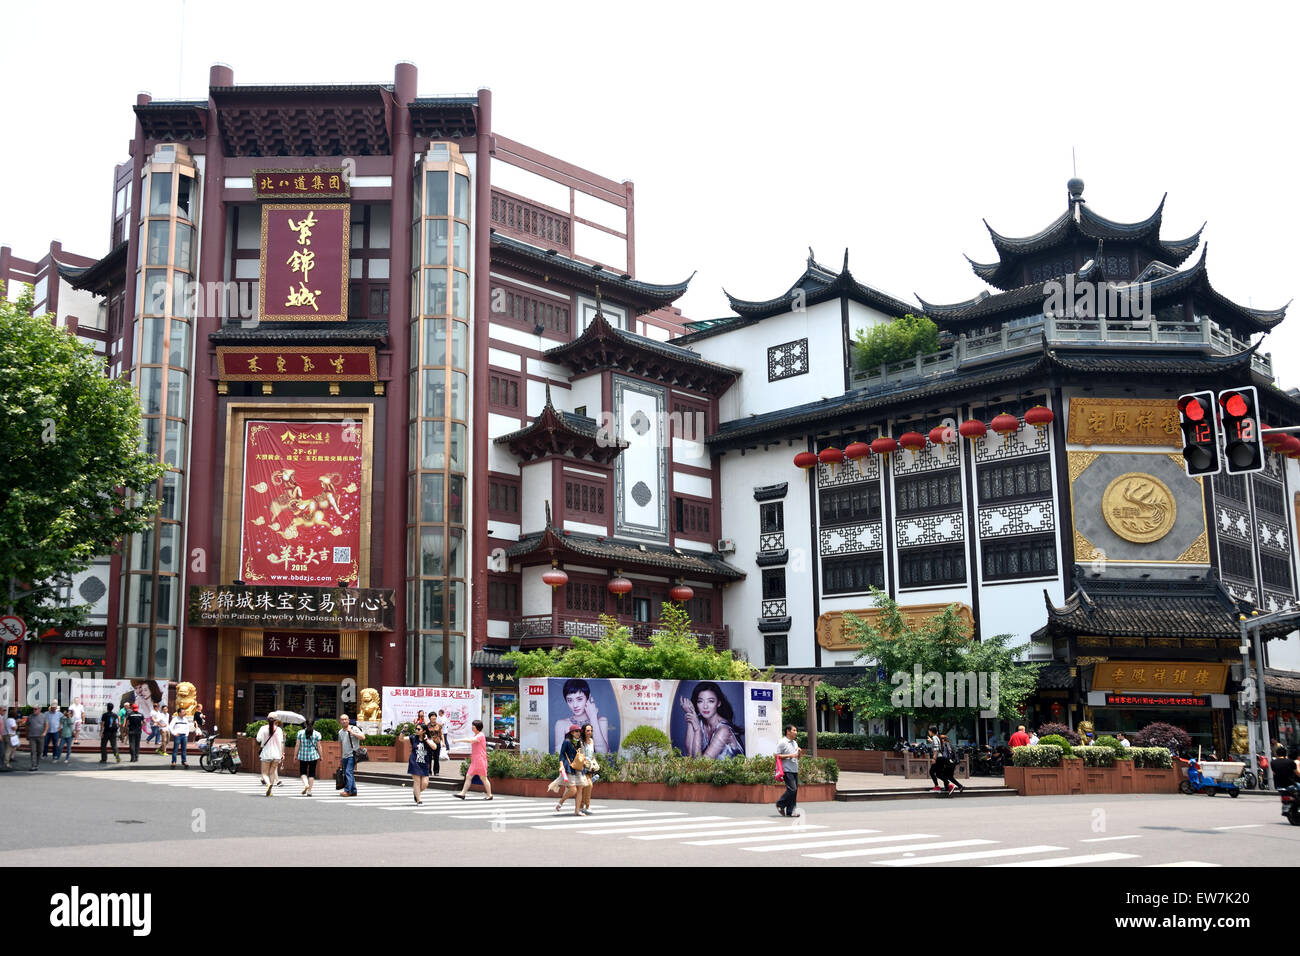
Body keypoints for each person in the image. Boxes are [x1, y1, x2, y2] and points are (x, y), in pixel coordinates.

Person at [680, 681, 742, 759]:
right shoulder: (699, 721)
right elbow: (690, 756)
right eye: (700, 701)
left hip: (733, 771)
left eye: (711, 701)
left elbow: (701, 765)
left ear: (719, 703)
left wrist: (697, 730)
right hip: (711, 770)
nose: (705, 706)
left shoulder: (724, 730)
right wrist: (690, 715)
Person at [553, 680, 611, 754]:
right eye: (570, 700)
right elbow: (558, 756)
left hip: (596, 765)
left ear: (588, 697)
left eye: (579, 699)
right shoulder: (561, 724)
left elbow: (603, 754)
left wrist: (593, 717)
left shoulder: (601, 721)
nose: (575, 705)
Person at [454, 719, 494, 802]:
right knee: (468, 776)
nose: (472, 727)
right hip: (475, 760)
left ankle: (489, 795)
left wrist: (458, 740)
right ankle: (462, 793)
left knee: (483, 778)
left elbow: (470, 740)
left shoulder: (480, 735)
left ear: (477, 727)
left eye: (473, 725)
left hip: (480, 760)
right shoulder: (476, 735)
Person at [552, 724, 583, 813]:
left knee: (580, 789)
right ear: (572, 732)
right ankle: (561, 802)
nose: (578, 733)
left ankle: (577, 811)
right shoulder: (567, 741)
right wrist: (561, 765)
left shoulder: (579, 742)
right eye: (576, 731)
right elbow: (561, 755)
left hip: (579, 767)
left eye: (579, 731)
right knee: (573, 790)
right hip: (569, 767)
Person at [775, 724, 802, 816]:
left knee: (794, 791)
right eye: (794, 730)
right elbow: (776, 755)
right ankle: (780, 804)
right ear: (788, 731)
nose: (796, 732)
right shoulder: (782, 742)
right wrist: (790, 756)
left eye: (796, 730)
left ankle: (791, 811)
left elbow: (797, 758)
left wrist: (799, 753)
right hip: (786, 769)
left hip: (794, 769)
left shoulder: (795, 743)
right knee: (792, 789)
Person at [337, 713, 364, 797]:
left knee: (348, 772)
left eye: (346, 719)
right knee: (348, 773)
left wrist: (352, 733)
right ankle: (354, 790)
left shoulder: (354, 728)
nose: (344, 721)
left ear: (348, 720)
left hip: (352, 755)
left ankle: (347, 791)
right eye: (342, 719)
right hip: (344, 756)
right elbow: (341, 745)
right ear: (340, 721)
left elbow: (363, 737)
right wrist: (341, 757)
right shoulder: (340, 732)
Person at [256, 717, 284, 794]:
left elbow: (258, 739)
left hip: (266, 754)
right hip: (277, 754)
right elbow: (281, 742)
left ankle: (268, 785)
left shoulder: (263, 728)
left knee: (264, 773)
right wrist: (282, 753)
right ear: (275, 721)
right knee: (272, 773)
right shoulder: (279, 730)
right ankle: (270, 790)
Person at [407, 722, 433, 804]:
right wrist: (403, 731)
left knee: (425, 783)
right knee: (417, 781)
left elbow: (434, 747)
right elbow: (401, 739)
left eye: (418, 729)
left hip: (424, 763)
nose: (416, 730)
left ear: (424, 731)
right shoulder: (413, 737)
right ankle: (419, 800)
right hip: (414, 762)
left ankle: (416, 792)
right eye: (416, 729)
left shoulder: (427, 738)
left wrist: (427, 740)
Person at [577, 723, 598, 816]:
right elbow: (580, 754)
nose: (590, 732)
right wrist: (585, 761)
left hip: (590, 767)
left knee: (587, 786)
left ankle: (582, 807)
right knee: (589, 785)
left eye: (591, 730)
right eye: (587, 730)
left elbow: (592, 754)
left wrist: (594, 762)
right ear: (584, 731)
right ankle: (586, 806)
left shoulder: (592, 741)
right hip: (583, 767)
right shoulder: (581, 742)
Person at [296, 719, 321, 795]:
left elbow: (297, 745)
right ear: (314, 724)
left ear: (305, 724)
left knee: (303, 772)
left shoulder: (300, 733)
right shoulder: (317, 734)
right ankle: (309, 791)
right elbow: (319, 746)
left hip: (303, 756)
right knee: (312, 773)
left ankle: (306, 784)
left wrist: (295, 755)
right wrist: (321, 756)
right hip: (313, 756)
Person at [27, 706, 48, 771]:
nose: (34, 710)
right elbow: (27, 725)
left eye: (35, 709)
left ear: (39, 709)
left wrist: (44, 732)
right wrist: (26, 734)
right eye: (33, 709)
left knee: (40, 751)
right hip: (32, 736)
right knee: (33, 751)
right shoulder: (30, 716)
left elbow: (47, 725)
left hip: (40, 736)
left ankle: (37, 764)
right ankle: (33, 765)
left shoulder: (43, 716)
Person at [428, 710, 444, 777]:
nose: (434, 717)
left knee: (436, 758)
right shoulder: (427, 725)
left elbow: (442, 734)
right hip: (429, 743)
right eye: (432, 716)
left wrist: (443, 742)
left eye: (435, 716)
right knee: (428, 758)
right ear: (430, 718)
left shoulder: (439, 725)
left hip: (437, 743)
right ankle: (428, 771)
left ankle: (436, 771)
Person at [927, 727, 943, 791]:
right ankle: (948, 784)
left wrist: (934, 758)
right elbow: (936, 746)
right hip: (939, 757)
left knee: (931, 772)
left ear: (931, 731)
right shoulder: (936, 737)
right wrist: (931, 741)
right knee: (938, 774)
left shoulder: (934, 737)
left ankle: (937, 786)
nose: (928, 732)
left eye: (929, 731)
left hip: (937, 757)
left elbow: (936, 749)